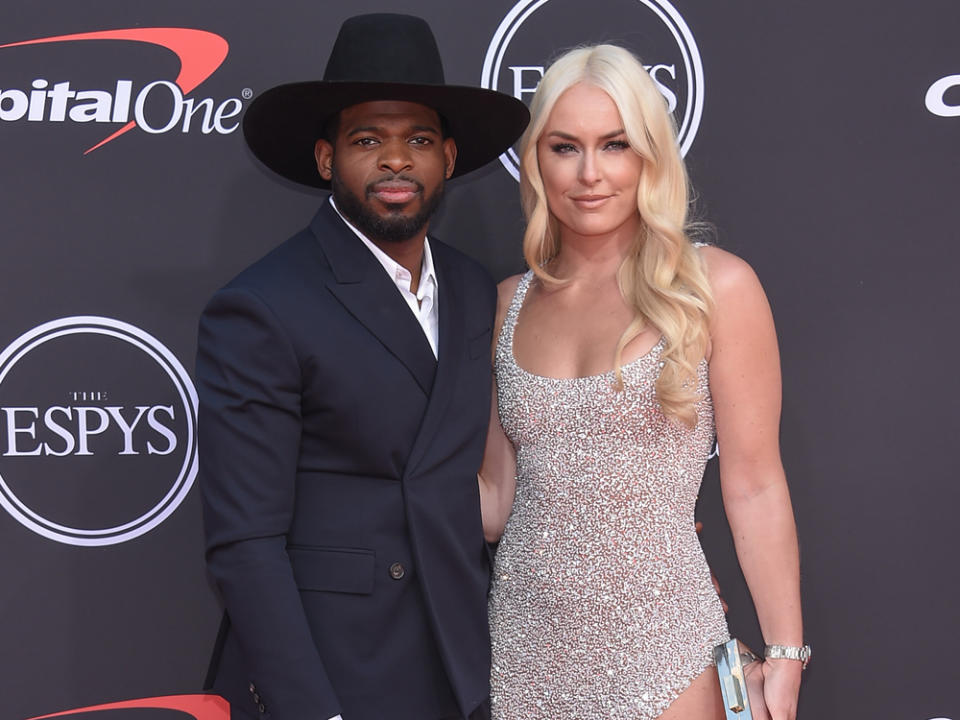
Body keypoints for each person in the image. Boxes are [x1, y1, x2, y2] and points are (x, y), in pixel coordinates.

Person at [196, 14, 528, 720]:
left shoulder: (476, 290)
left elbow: (493, 487)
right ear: (325, 160)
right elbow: (245, 545)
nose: (396, 161)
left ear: (448, 157)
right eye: (367, 140)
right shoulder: (261, 306)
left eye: (418, 140)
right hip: (336, 675)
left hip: (464, 667)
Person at [478, 45, 807, 720]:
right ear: (537, 159)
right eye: (565, 147)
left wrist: (785, 653)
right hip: (521, 653)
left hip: (664, 653)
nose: (590, 173)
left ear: (651, 155)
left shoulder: (715, 287)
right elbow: (494, 502)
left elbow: (754, 483)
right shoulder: (507, 303)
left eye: (616, 145)